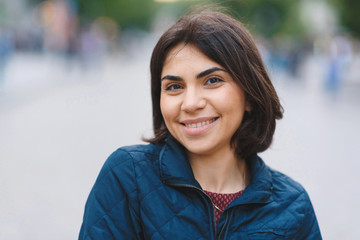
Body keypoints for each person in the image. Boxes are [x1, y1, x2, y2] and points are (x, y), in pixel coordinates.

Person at [79, 8, 322, 240]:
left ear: (249, 95)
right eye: (174, 87)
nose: (191, 103)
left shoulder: (294, 206)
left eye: (212, 80)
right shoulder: (127, 177)